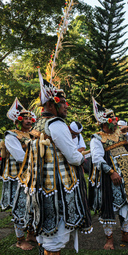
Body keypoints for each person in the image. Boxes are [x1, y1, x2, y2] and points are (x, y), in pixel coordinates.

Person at [26, 70, 92, 255]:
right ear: (50, 104)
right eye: (62, 102)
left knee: (46, 232)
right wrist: (80, 157)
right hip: (58, 186)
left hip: (41, 184)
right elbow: (72, 157)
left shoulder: (37, 124)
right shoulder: (56, 124)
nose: (66, 106)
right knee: (55, 235)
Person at [90, 97, 128, 250]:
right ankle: (109, 238)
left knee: (127, 206)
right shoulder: (97, 138)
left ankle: (125, 234)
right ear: (104, 122)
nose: (115, 121)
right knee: (110, 207)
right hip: (110, 179)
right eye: (111, 119)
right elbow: (97, 159)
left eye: (114, 118)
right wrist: (112, 172)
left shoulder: (121, 133)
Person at [0, 98, 36, 250]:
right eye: (25, 119)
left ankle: (30, 233)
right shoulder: (11, 136)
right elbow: (20, 157)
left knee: (32, 205)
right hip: (17, 176)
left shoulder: (33, 135)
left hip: (31, 175)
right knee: (20, 206)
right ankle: (20, 240)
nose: (28, 121)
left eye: (30, 118)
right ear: (17, 120)